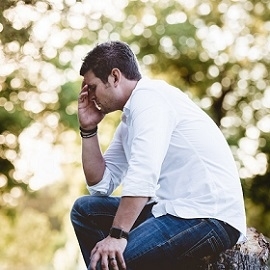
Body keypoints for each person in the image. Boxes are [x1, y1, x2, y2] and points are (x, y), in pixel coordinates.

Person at [70, 41, 246, 270]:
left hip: (208, 217)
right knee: (85, 210)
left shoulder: (150, 98)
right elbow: (101, 185)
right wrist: (88, 129)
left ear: (115, 77)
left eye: (92, 87)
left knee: (108, 265)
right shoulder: (130, 119)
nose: (90, 96)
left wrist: (116, 236)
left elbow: (144, 172)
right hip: (170, 210)